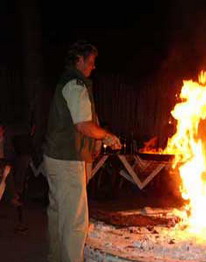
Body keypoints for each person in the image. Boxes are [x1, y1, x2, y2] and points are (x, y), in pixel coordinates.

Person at [43, 40, 122, 262]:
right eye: (91, 61)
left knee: (59, 214)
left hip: (57, 157)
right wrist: (106, 136)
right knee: (75, 221)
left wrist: (94, 142)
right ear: (79, 60)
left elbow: (82, 119)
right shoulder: (75, 85)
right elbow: (83, 125)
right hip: (67, 159)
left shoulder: (69, 82)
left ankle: (56, 258)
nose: (93, 66)